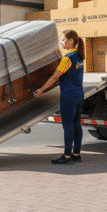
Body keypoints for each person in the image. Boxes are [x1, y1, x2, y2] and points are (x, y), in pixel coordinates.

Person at [35, 29, 85, 164]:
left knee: (68, 125)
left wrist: (42, 89)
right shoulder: (78, 56)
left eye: (63, 40)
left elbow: (55, 77)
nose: (61, 42)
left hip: (69, 96)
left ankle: (67, 156)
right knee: (76, 123)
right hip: (79, 94)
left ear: (71, 41)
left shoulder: (67, 59)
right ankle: (76, 154)